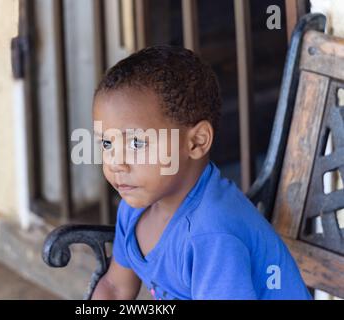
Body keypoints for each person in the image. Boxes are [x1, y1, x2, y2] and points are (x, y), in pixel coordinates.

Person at [91, 45, 311, 300]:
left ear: (196, 142)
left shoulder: (212, 234)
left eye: (137, 143)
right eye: (106, 143)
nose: (116, 162)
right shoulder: (134, 208)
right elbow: (115, 288)